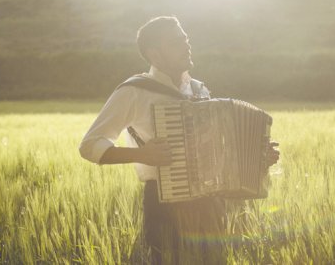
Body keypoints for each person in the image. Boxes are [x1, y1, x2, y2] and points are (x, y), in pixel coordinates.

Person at [79, 16, 279, 264]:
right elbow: (89, 145)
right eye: (176, 42)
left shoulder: (199, 90)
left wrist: (258, 158)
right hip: (165, 206)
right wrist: (142, 155)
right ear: (155, 54)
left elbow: (220, 154)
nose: (187, 45)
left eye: (185, 39)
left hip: (211, 206)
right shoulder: (134, 91)